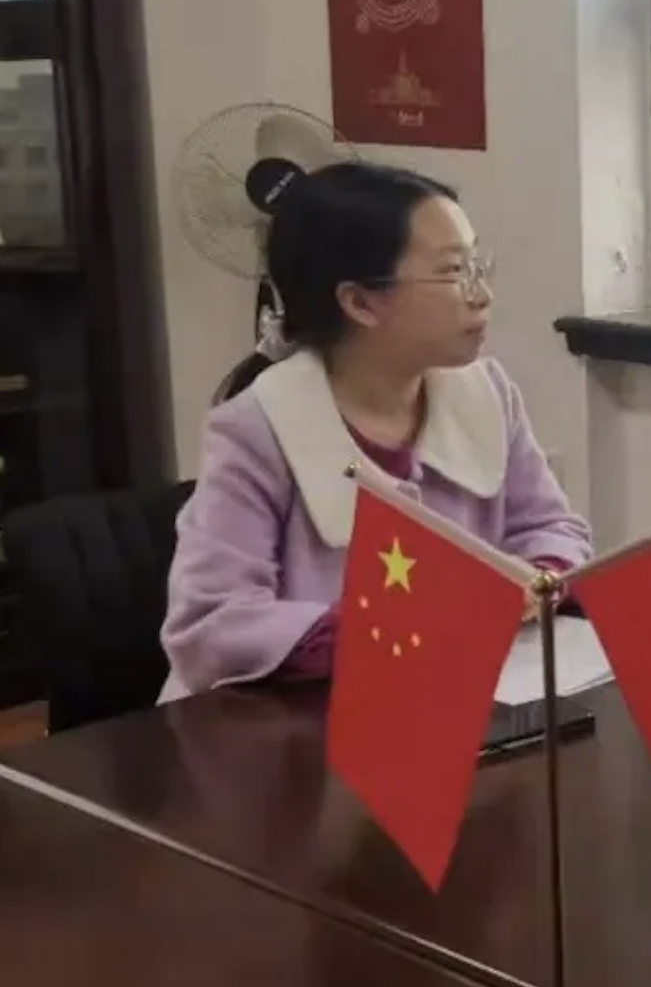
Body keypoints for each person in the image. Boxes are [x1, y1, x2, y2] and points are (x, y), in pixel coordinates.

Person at [160, 162, 589, 702]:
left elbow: (551, 527)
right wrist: (393, 627)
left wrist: (536, 577)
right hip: (288, 722)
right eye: (453, 272)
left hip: (452, 696)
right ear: (360, 302)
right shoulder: (257, 427)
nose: (482, 295)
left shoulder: (487, 394)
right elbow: (212, 625)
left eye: (478, 266)